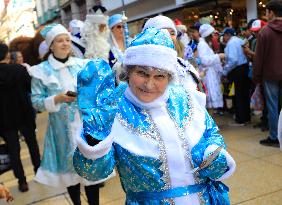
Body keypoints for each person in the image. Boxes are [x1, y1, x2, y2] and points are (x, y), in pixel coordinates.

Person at [73, 27, 236, 204]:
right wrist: (95, 136)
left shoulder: (185, 98)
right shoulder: (112, 108)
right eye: (142, 73)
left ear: (169, 77)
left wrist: (213, 154)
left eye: (159, 76)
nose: (149, 84)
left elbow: (212, 135)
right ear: (128, 72)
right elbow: (93, 172)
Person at [29, 23, 108, 205]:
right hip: (60, 131)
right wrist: (56, 98)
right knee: (70, 174)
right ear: (51, 45)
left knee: (91, 172)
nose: (65, 43)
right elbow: (36, 101)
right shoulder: (41, 72)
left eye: (67, 40)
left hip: (85, 126)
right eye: (59, 41)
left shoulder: (82, 65)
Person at [0, 43, 41, 192]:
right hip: (24, 113)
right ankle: (38, 171)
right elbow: (30, 88)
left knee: (13, 151)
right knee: (32, 144)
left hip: (4, 119)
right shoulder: (20, 70)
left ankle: (22, 181)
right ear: (6, 55)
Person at [253, 0, 282, 147]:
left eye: (266, 12)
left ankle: (274, 136)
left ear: (271, 12)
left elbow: (259, 57)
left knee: (272, 106)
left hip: (270, 75)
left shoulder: (265, 32)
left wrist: (256, 76)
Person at [222, 28, 250, 126]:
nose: (223, 38)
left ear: (228, 35)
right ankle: (246, 117)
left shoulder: (231, 42)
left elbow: (233, 60)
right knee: (244, 94)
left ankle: (240, 119)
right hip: (244, 68)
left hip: (237, 70)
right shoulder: (239, 40)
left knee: (238, 95)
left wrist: (225, 71)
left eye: (224, 35)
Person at [198, 24, 225, 111]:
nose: (212, 36)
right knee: (210, 101)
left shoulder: (205, 44)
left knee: (212, 103)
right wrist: (218, 56)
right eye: (211, 34)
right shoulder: (202, 45)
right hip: (208, 74)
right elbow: (204, 61)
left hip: (211, 73)